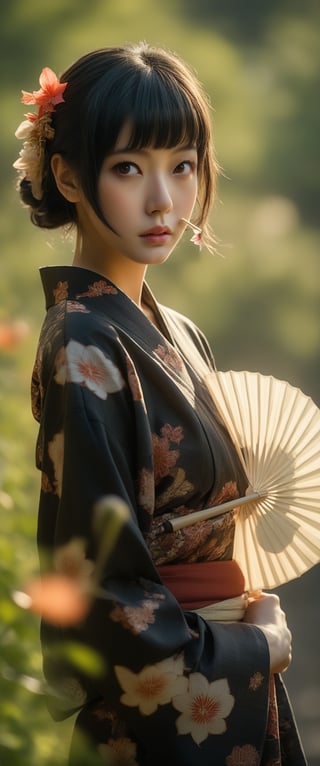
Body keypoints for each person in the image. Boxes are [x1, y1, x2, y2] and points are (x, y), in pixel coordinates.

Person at [14, 43, 307, 765]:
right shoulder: (81, 342)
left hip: (224, 679)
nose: (163, 201)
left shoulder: (180, 332)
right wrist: (255, 643)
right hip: (169, 709)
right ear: (68, 175)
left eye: (181, 166)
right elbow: (107, 593)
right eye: (128, 169)